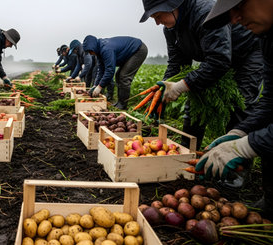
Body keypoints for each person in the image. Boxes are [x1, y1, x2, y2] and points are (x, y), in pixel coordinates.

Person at [139, 0, 263, 149]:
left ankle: (235, 159)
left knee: (241, 105)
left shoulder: (205, 13)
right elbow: (177, 65)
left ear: (173, 6)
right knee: (196, 101)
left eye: (159, 16)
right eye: (154, 19)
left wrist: (181, 86)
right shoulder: (171, 29)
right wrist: (163, 89)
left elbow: (219, 60)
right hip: (215, 58)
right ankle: (187, 152)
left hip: (246, 54)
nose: (158, 23)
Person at [195, 0, 273, 219]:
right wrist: (238, 133)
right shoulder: (267, 39)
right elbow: (269, 102)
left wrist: (249, 145)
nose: (235, 19)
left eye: (239, 7)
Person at [83, 35, 148, 110]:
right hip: (130, 53)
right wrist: (95, 85)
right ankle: (120, 102)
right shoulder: (99, 52)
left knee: (124, 77)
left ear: (93, 47)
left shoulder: (106, 49)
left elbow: (110, 70)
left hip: (138, 50)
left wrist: (100, 86)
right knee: (118, 75)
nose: (90, 53)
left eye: (90, 51)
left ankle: (122, 105)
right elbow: (101, 70)